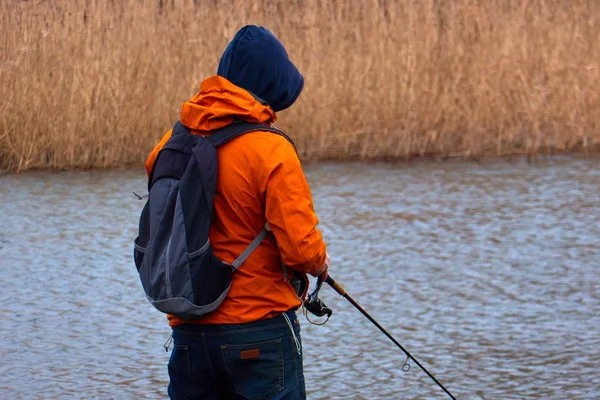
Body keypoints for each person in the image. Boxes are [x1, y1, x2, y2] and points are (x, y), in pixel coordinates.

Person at [144, 25, 329, 400]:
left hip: (189, 337)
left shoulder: (170, 143)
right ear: (270, 88)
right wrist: (321, 265)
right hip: (259, 335)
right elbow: (302, 250)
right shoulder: (270, 150)